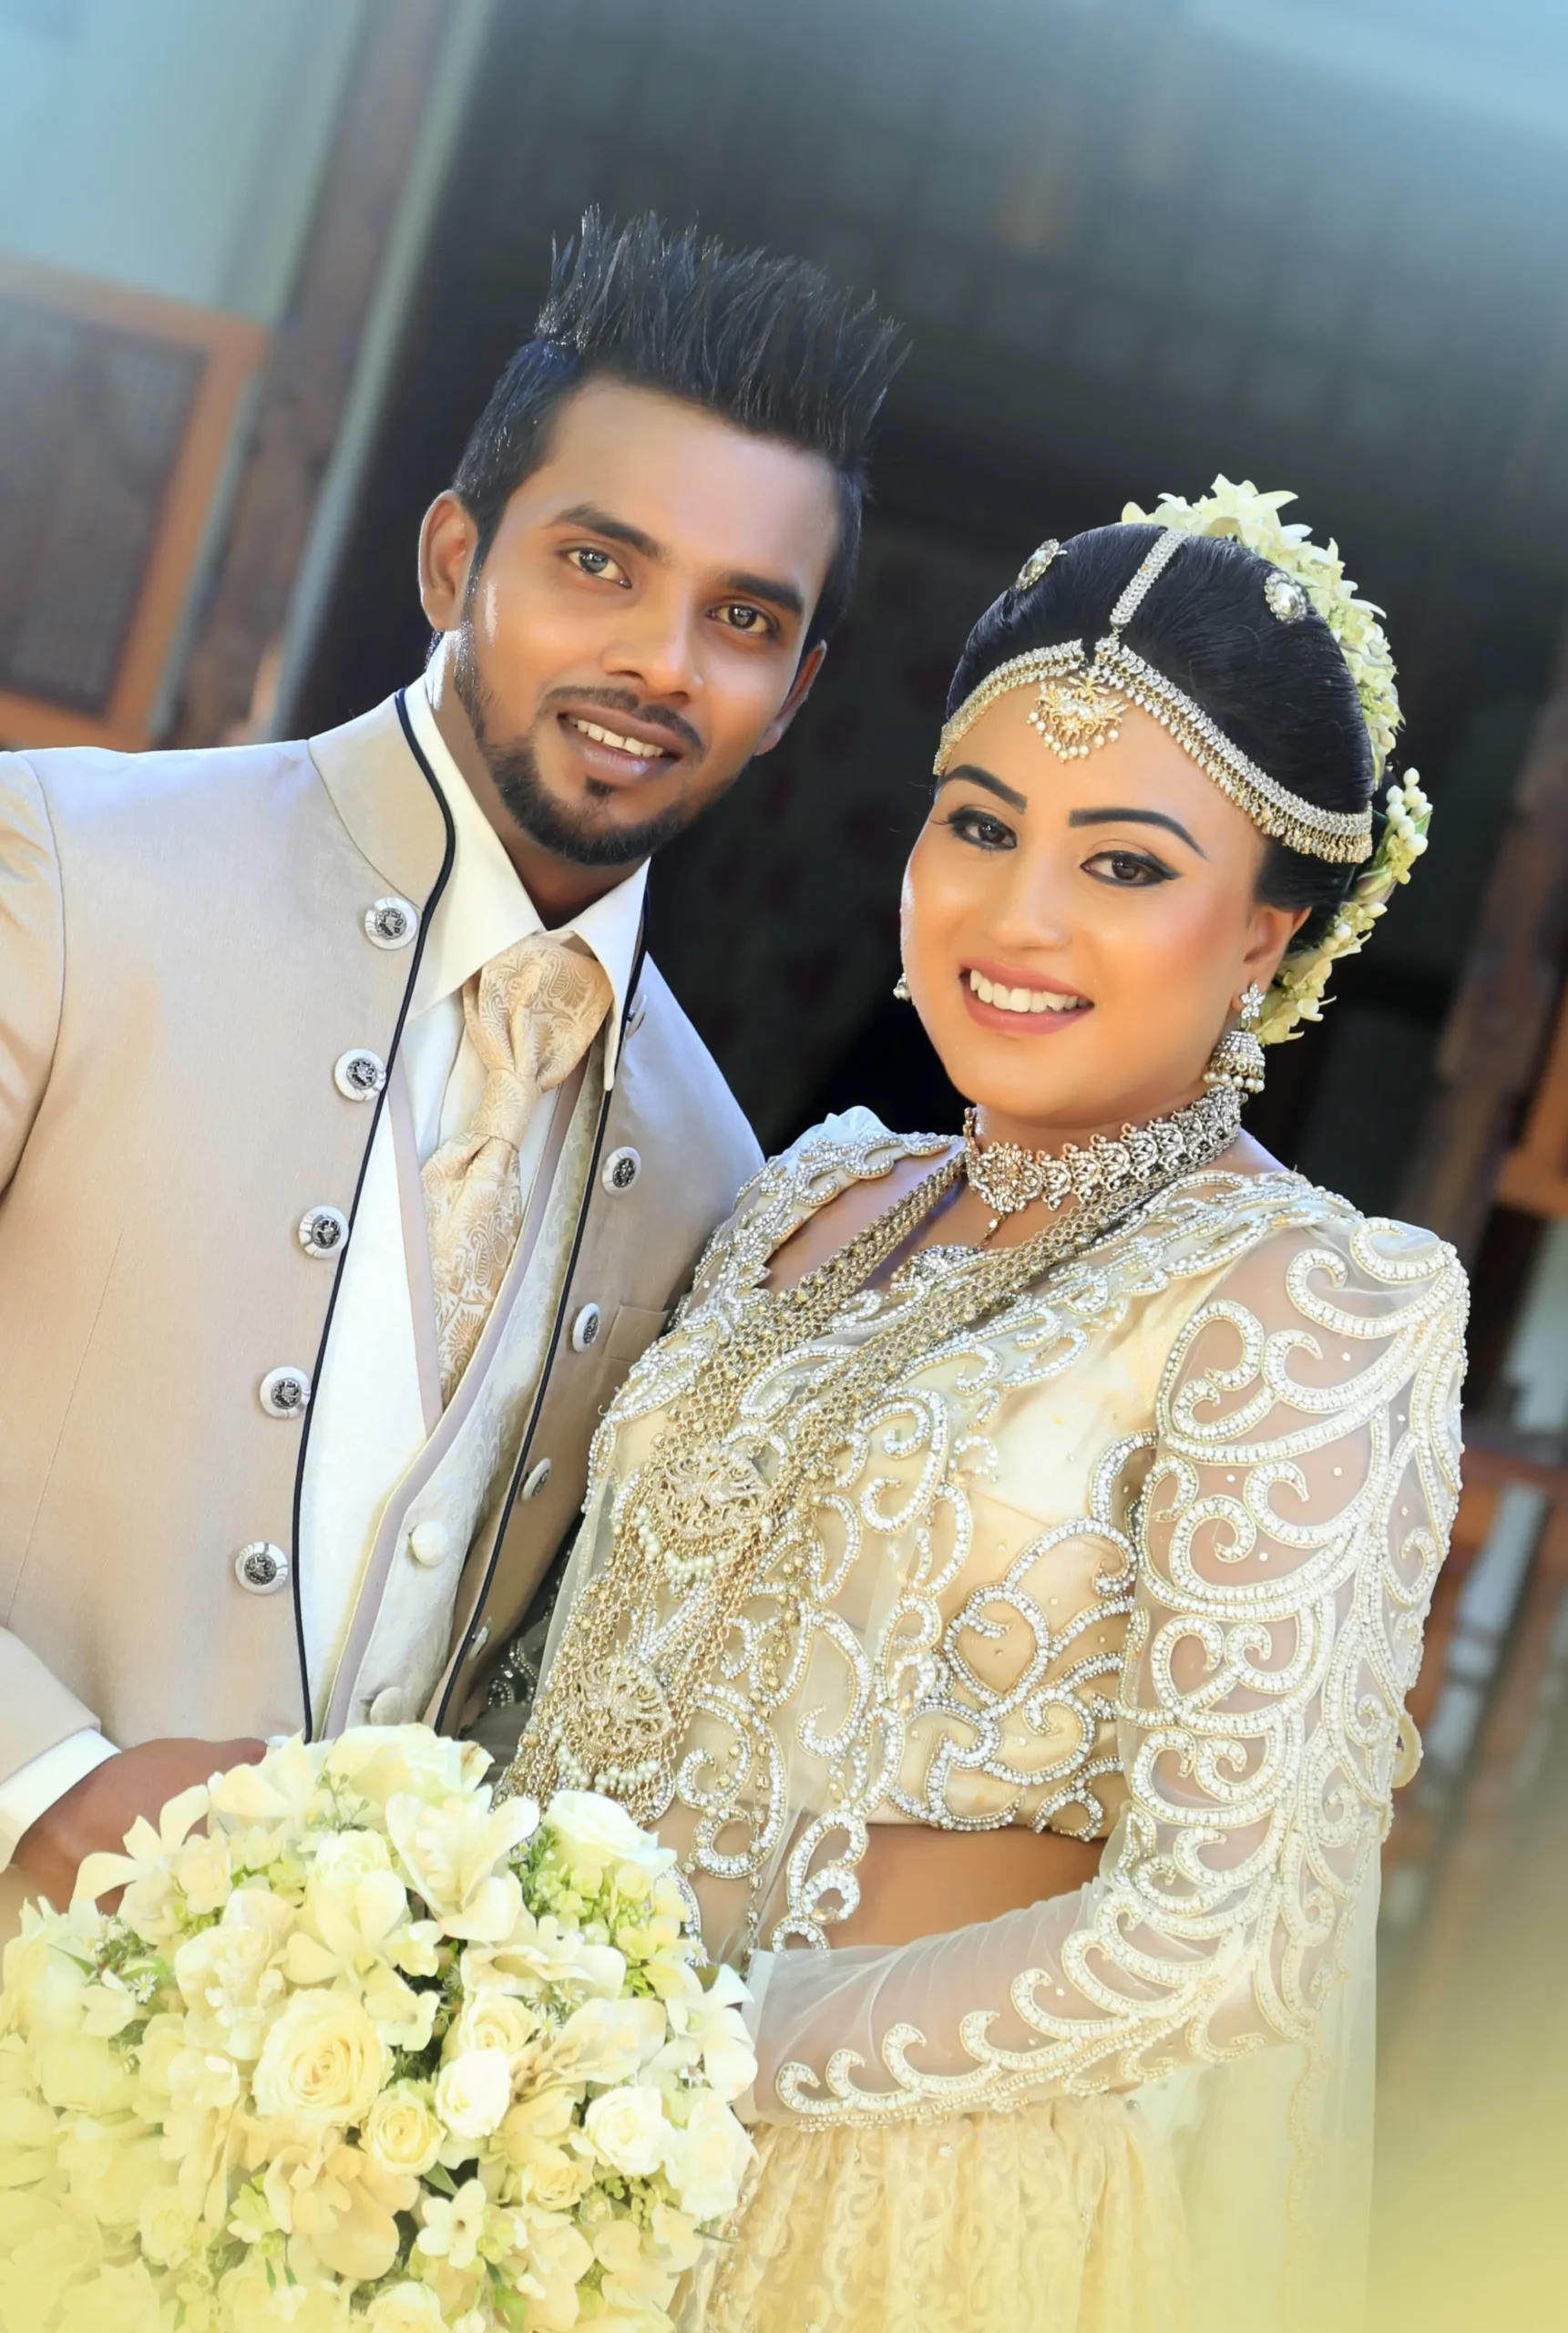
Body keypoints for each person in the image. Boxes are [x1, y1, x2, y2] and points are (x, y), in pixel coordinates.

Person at [504, 480, 1467, 2331]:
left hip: (887, 2227)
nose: (1014, 914)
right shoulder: (802, 1194)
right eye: (975, 824)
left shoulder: (1290, 1296)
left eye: (1121, 863)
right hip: (526, 2150)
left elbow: (1214, 1933)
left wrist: (699, 2053)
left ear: (1263, 930)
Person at [0, 213, 903, 1914]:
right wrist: (41, 1782)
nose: (661, 661)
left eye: (745, 618)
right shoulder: (66, 867)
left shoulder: (714, 1168)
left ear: (795, 691)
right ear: (450, 559)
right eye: (598, 565)